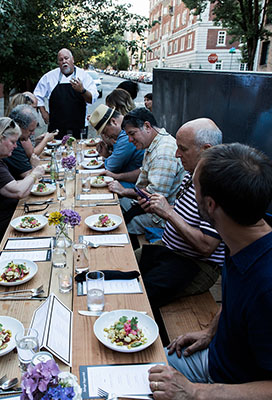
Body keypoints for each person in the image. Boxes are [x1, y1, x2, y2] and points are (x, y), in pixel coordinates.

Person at [149, 143, 272, 399]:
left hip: (229, 387)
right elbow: (233, 298)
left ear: (210, 204)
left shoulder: (266, 284)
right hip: (215, 358)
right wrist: (210, 332)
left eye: (193, 186)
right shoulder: (241, 235)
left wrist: (195, 392)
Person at [135, 118, 225, 308]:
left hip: (193, 265)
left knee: (138, 296)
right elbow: (183, 217)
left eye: (182, 149)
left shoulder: (219, 185)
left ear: (206, 150)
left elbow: (206, 246)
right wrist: (158, 208)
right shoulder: (192, 173)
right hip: (168, 250)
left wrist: (168, 213)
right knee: (121, 265)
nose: (176, 154)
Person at [108, 108, 184, 237]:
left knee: (117, 227)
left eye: (132, 134)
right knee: (113, 206)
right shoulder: (154, 143)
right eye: (127, 135)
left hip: (160, 218)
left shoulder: (163, 153)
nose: (130, 140)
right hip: (147, 205)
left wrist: (124, 191)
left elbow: (153, 198)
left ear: (147, 126)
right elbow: (143, 177)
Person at [0, 117, 45, 238]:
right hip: (4, 222)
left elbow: (14, 185)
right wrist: (34, 174)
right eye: (13, 142)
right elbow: (18, 191)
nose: (15, 146)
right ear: (0, 139)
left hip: (11, 215)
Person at [33, 48, 98, 139]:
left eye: (66, 58)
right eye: (61, 59)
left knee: (78, 150)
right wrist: (43, 113)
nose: (64, 61)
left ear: (72, 59)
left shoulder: (84, 76)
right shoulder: (49, 77)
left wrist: (82, 90)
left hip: (79, 127)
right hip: (56, 128)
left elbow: (92, 99)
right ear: (58, 63)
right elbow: (37, 95)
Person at [89, 104, 144, 188]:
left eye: (104, 132)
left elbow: (111, 167)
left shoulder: (125, 136)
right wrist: (107, 155)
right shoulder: (125, 129)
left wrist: (107, 157)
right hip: (132, 176)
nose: (106, 136)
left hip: (136, 184)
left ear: (113, 121)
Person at [5, 104, 53, 178]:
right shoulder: (11, 143)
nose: (33, 133)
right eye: (30, 130)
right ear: (19, 126)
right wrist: (34, 166)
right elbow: (27, 176)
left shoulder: (14, 137)